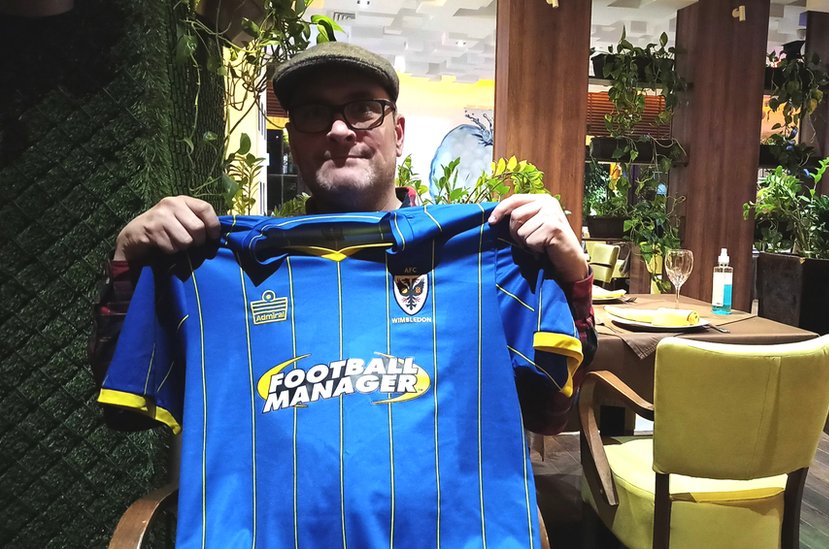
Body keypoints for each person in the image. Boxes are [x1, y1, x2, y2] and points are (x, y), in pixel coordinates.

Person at [90, 41, 595, 545]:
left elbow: (550, 412)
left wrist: (571, 273)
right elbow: (122, 401)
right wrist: (129, 263)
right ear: (292, 140)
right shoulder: (212, 269)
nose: (338, 129)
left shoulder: (483, 258)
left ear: (398, 131)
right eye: (314, 113)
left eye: (362, 108)